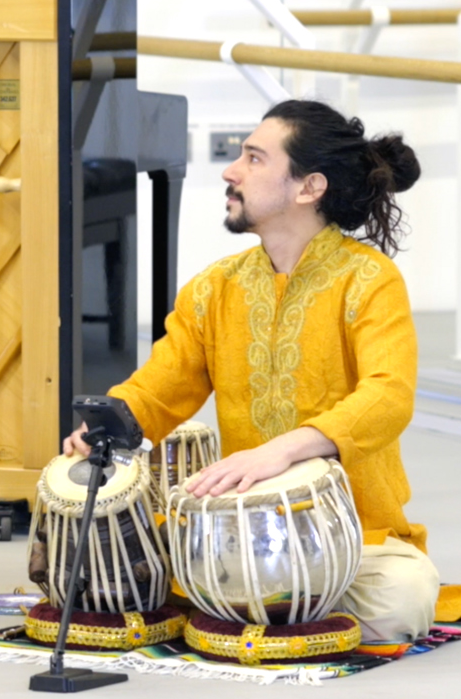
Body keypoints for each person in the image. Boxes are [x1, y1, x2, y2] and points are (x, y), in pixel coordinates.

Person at [63, 99, 440, 643]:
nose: (230, 171)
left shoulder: (369, 280)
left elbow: (389, 396)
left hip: (355, 530)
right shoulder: (214, 288)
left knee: (399, 605)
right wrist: (106, 427)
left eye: (254, 159)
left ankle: (266, 602)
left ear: (308, 188)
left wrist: (281, 451)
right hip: (234, 531)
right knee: (107, 575)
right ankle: (272, 603)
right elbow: (163, 384)